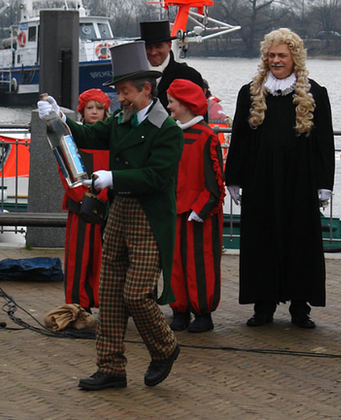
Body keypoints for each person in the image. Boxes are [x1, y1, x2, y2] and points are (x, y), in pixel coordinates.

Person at [39, 40, 183, 391]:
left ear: (147, 89)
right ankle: (111, 367)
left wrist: (113, 177)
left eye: (125, 92)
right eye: (118, 92)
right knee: (111, 292)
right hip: (119, 212)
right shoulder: (121, 120)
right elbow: (88, 134)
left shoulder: (168, 131)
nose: (121, 98)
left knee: (136, 294)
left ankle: (165, 347)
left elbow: (156, 177)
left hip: (149, 217)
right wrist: (60, 118)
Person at [225, 28, 334, 329]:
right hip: (261, 180)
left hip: (301, 180)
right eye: (271, 55)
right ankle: (263, 307)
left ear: (294, 58)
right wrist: (233, 177)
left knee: (300, 241)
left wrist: (325, 183)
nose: (276, 60)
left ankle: (300, 308)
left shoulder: (316, 93)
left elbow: (325, 140)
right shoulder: (250, 92)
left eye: (281, 55)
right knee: (262, 240)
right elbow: (240, 139)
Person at [165, 78, 224, 333]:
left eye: (172, 103)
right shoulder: (172, 133)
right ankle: (179, 309)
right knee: (175, 263)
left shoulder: (207, 137)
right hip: (174, 209)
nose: (168, 108)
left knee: (199, 264)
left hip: (199, 213)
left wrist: (202, 209)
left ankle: (203, 312)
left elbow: (215, 181)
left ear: (186, 104)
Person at [60, 88, 110, 311]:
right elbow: (67, 170)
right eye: (90, 108)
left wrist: (105, 196)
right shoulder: (73, 136)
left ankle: (105, 302)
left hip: (107, 204)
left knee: (105, 257)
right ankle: (78, 304)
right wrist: (81, 197)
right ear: (82, 111)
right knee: (78, 257)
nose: (94, 112)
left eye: (99, 109)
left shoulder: (112, 136)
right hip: (80, 204)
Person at [140, 20, 204, 108]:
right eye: (148, 47)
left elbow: (200, 116)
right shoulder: (135, 77)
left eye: (158, 46)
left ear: (169, 46)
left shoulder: (190, 76)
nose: (153, 52)